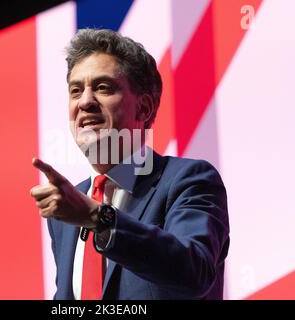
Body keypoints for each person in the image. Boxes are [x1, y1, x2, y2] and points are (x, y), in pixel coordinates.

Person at [30, 29, 229, 300]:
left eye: (103, 87)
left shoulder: (189, 180)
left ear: (144, 108)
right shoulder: (66, 211)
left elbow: (194, 272)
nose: (85, 101)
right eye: (76, 90)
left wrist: (96, 218)